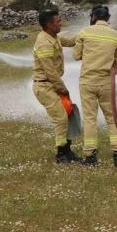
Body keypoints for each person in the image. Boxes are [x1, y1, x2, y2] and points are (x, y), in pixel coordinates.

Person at [73, 5, 117, 167]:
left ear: (93, 17)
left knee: (90, 119)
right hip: (107, 83)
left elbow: (76, 55)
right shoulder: (116, 36)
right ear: (108, 19)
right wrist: (112, 69)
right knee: (112, 120)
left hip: (87, 82)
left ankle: (90, 156)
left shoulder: (84, 32)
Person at [32, 10, 80, 163]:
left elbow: (72, 41)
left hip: (52, 84)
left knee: (67, 113)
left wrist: (88, 33)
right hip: (45, 86)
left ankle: (67, 150)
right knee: (60, 118)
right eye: (58, 21)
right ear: (48, 24)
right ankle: (61, 154)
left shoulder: (54, 37)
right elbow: (50, 71)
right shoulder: (44, 43)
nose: (61, 23)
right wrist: (62, 88)